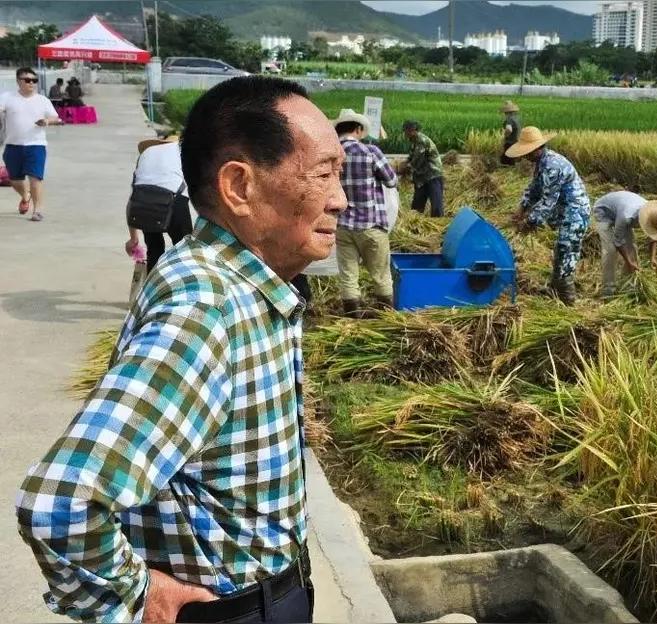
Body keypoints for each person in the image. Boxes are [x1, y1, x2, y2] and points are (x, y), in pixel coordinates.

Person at [16, 76, 347, 623]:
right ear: (239, 186)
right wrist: (138, 594)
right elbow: (62, 503)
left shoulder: (244, 284)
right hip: (229, 610)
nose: (340, 197)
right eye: (323, 174)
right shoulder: (208, 307)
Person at [508, 126, 590, 306]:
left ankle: (569, 300)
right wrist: (521, 209)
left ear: (537, 148)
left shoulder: (553, 166)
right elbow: (533, 189)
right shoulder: (541, 164)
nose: (524, 156)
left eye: (527, 152)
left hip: (575, 211)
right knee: (560, 249)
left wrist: (529, 223)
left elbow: (547, 202)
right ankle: (555, 289)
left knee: (566, 249)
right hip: (563, 211)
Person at [333, 108, 398, 318]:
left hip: (342, 226)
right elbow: (391, 180)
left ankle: (352, 321)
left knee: (349, 276)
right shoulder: (370, 151)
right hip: (371, 225)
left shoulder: (333, 155)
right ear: (358, 129)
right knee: (381, 275)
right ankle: (386, 319)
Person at [0, 67, 64, 222]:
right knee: (15, 180)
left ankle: (37, 210)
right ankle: (25, 195)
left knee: (35, 178)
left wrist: (47, 121)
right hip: (13, 145)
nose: (31, 83)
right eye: (27, 80)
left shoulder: (43, 100)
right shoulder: (7, 97)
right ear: (18, 81)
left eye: (34, 80)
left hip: (36, 144)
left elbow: (57, 118)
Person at [124, 134, 192, 273]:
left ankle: (153, 292)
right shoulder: (181, 149)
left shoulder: (145, 154)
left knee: (154, 249)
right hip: (174, 199)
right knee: (185, 252)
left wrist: (133, 239)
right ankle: (185, 289)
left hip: (144, 202)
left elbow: (133, 199)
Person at [593, 191, 657, 298]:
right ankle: (608, 290)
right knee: (610, 250)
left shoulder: (653, 214)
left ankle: (628, 285)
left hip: (621, 208)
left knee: (632, 248)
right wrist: (629, 261)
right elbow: (618, 242)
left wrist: (652, 258)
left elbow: (654, 237)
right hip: (603, 211)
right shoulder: (627, 217)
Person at [398, 119, 444, 217]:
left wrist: (403, 169)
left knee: (436, 203)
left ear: (413, 130)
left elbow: (416, 162)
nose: (405, 133)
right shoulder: (414, 141)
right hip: (422, 176)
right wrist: (404, 163)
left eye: (407, 131)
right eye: (405, 131)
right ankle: (415, 221)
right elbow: (411, 158)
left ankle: (438, 223)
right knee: (417, 203)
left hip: (432, 174)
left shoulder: (421, 140)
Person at [500, 100, 522, 166]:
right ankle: (513, 169)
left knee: (506, 158)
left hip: (511, 141)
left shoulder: (509, 119)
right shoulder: (517, 118)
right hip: (517, 140)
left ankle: (508, 170)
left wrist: (505, 136)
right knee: (513, 156)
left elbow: (509, 129)